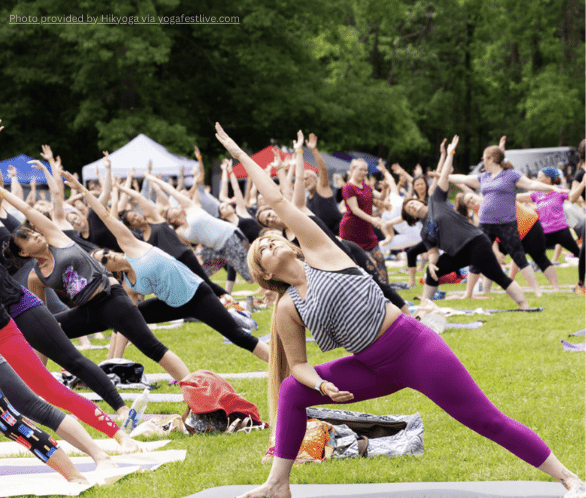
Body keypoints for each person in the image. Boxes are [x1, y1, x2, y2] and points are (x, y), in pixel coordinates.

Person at [214, 123, 585, 498]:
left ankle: (568, 477)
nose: (270, 243)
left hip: (413, 348)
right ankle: (278, 485)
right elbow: (297, 366)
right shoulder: (287, 309)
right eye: (262, 250)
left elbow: (279, 201)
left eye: (272, 239)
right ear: (264, 274)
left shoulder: (320, 251)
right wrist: (320, 384)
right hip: (370, 367)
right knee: (293, 390)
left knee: (484, 418)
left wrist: (240, 155)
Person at [61, 170, 269, 363]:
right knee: (122, 316)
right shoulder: (127, 284)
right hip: (171, 305)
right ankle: (109, 361)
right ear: (107, 269)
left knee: (239, 337)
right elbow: (123, 319)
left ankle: (281, 364)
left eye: (105, 252)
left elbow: (105, 216)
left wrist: (82, 190)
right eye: (104, 260)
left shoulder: (132, 246)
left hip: (197, 295)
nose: (109, 255)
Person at [0, 185, 191, 385]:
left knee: (152, 348)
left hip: (112, 300)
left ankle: (192, 385)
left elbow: (29, 211)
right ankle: (39, 386)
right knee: (41, 334)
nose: (36, 235)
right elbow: (41, 312)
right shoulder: (35, 276)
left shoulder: (57, 239)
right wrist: (49, 324)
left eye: (33, 232)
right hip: (88, 311)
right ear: (23, 253)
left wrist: (3, 192)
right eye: (29, 238)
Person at [401, 137, 528, 307]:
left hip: (475, 242)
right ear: (412, 216)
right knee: (432, 273)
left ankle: (524, 305)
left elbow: (444, 175)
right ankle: (425, 307)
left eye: (413, 203)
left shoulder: (435, 200)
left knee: (498, 276)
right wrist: (431, 263)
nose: (413, 206)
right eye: (410, 209)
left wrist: (450, 153)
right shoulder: (426, 230)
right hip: (457, 253)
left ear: (419, 201)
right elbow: (432, 251)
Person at [447, 137, 564, 297]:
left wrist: (551, 188)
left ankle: (538, 291)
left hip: (514, 224)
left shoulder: (510, 175)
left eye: (485, 157)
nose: (482, 160)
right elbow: (463, 179)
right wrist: (443, 175)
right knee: (479, 256)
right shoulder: (484, 177)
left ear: (493, 159)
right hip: (488, 225)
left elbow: (531, 184)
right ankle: (470, 294)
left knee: (528, 257)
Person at [146, 173, 254, 284]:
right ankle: (208, 293)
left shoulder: (190, 208)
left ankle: (267, 287)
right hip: (216, 249)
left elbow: (171, 191)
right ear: (171, 220)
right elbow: (188, 249)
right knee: (197, 272)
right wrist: (197, 258)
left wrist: (155, 180)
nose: (175, 207)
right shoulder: (180, 232)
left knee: (249, 276)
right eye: (171, 210)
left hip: (229, 237)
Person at [339, 158, 389, 283]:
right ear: (352, 170)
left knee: (380, 259)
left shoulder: (366, 187)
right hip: (351, 231)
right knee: (357, 264)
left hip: (366, 230)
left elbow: (381, 198)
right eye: (360, 169)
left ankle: (386, 289)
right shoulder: (348, 187)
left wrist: (384, 189)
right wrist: (373, 219)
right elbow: (355, 210)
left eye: (365, 170)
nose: (363, 172)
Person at [518, 167, 580, 259]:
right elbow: (518, 197)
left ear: (548, 179)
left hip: (561, 230)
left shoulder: (559, 190)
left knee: (579, 254)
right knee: (532, 251)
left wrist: (580, 184)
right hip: (545, 232)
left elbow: (575, 197)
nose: (537, 179)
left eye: (539, 177)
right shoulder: (537, 193)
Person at [303, 133, 343, 235]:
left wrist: (314, 150)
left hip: (341, 232)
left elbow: (323, 168)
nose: (304, 182)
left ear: (315, 178)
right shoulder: (307, 200)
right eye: (301, 180)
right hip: (328, 236)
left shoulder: (322, 188)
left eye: (306, 179)